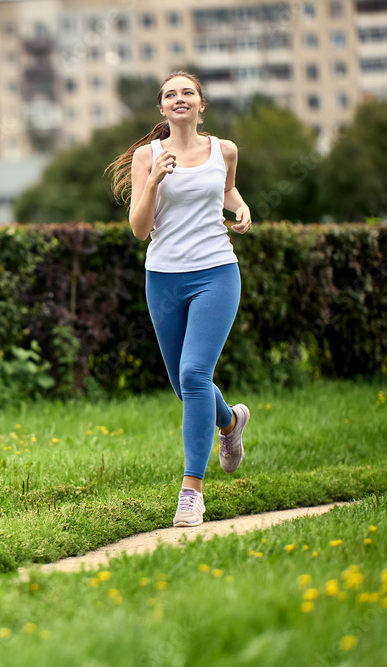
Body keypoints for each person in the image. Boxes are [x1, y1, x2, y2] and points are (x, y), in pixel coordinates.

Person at [106, 71, 252, 527]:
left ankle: (191, 492)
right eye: (171, 94)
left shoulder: (223, 150)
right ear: (163, 108)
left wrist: (240, 206)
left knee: (193, 374)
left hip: (216, 272)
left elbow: (224, 190)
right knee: (183, 385)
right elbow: (139, 229)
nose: (180, 98)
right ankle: (229, 424)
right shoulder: (147, 156)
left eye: (187, 92)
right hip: (164, 279)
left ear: (201, 104)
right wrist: (153, 181)